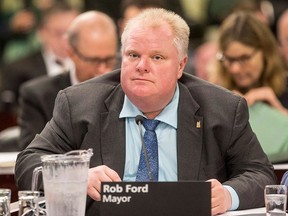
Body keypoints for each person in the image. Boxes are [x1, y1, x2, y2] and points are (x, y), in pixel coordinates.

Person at [15, 8, 276, 216]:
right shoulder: (80, 104)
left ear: (181, 65)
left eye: (157, 57)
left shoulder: (222, 109)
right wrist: (74, 177)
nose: (142, 66)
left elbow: (260, 173)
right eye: (133, 55)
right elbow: (28, 163)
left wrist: (227, 196)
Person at [17, 10, 118, 150]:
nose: (103, 70)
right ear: (71, 52)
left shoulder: (127, 89)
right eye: (94, 60)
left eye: (109, 60)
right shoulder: (39, 96)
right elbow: (33, 157)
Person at [0, 2, 79, 114]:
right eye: (59, 33)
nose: (66, 40)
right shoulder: (17, 70)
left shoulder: (93, 64)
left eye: (72, 33)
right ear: (42, 33)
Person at [210, 11, 288, 114]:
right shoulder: (214, 92)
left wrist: (278, 114)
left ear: (265, 52)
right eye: (229, 59)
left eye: (244, 59)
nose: (235, 69)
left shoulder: (285, 88)